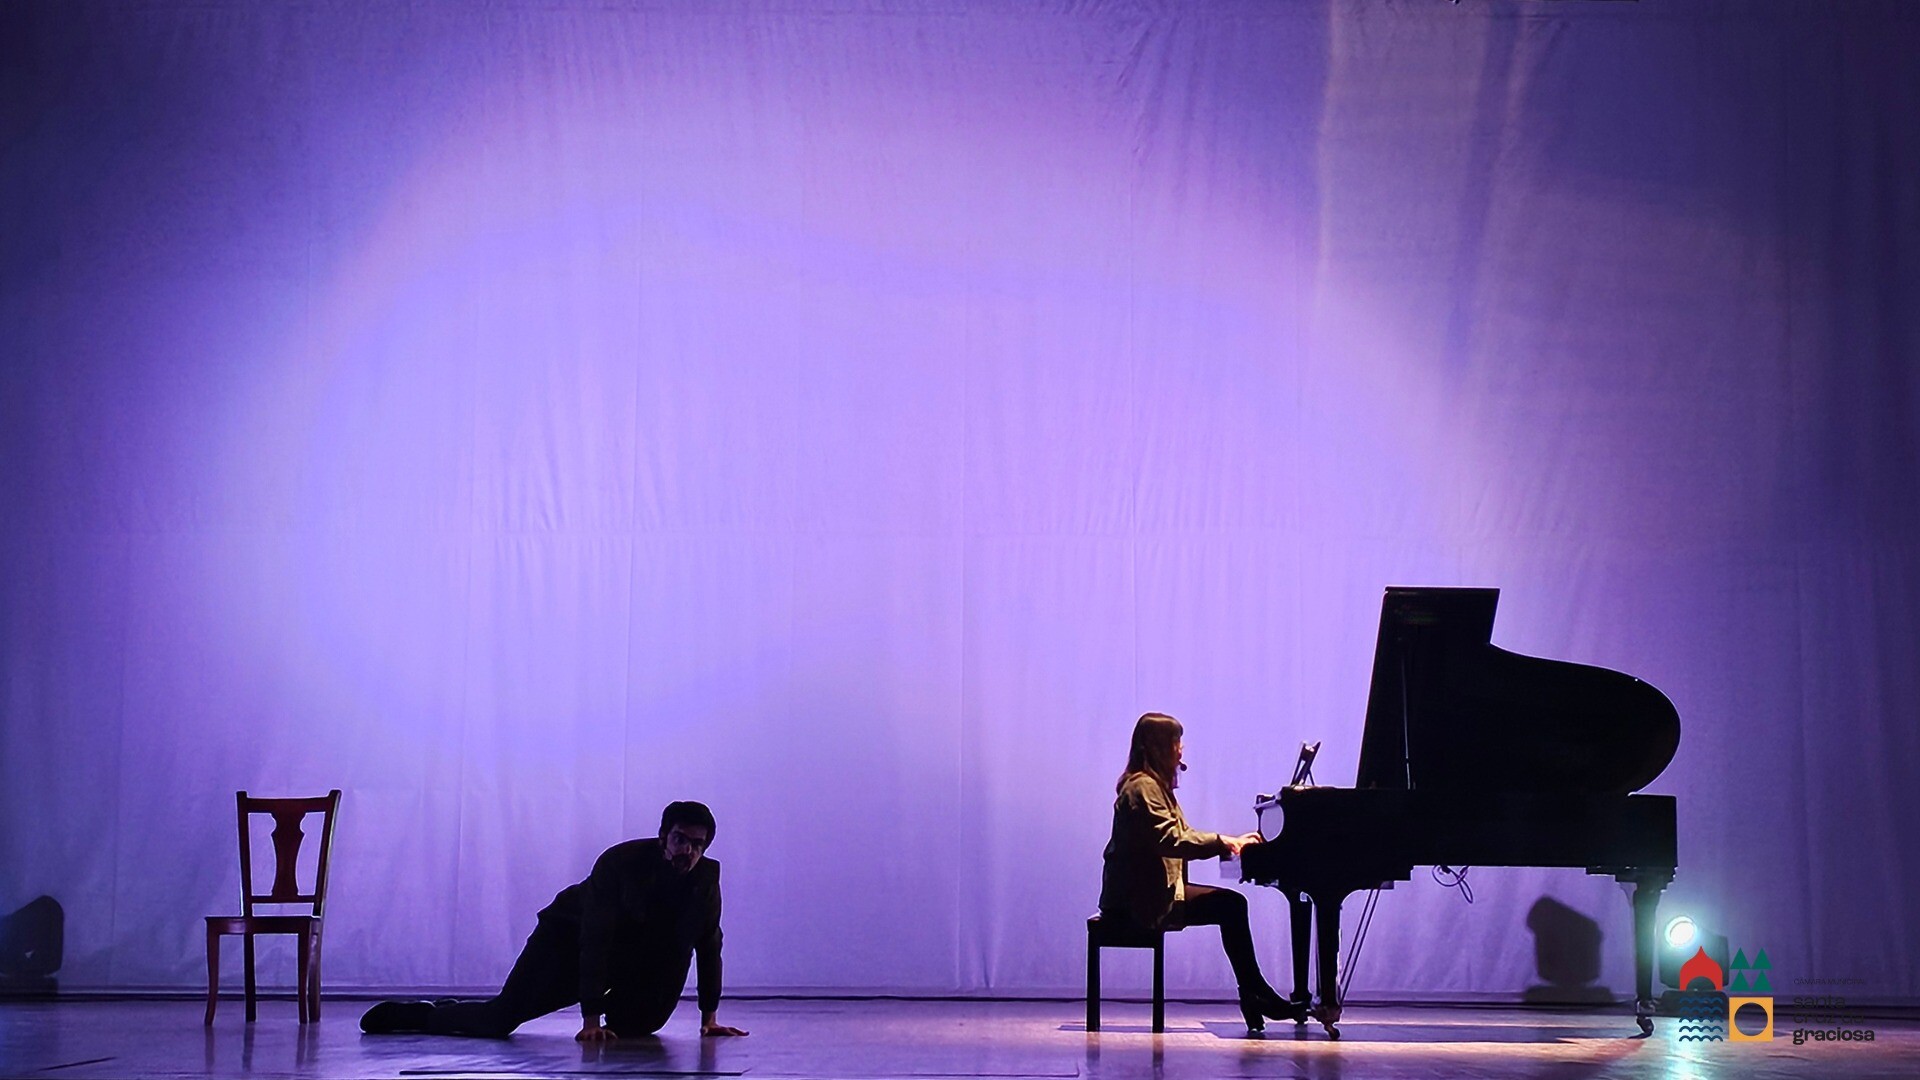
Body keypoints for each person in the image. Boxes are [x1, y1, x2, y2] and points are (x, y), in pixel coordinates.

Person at [361, 801, 748, 1040]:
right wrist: (590, 1019)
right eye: (681, 839)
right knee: (500, 1021)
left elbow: (709, 944)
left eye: (698, 844)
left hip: (627, 954)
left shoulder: (704, 880)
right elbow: (595, 937)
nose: (689, 851)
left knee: (637, 1026)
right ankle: (427, 1013)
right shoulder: (619, 863)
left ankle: (469, 1007)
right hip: (566, 938)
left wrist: (709, 1018)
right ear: (663, 837)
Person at [1099, 712, 1303, 1032]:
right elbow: (1171, 839)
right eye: (1176, 742)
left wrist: (1228, 841)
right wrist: (1224, 842)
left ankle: (1255, 993)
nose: (1181, 750)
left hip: (1146, 888)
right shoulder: (1142, 788)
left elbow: (1180, 834)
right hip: (1137, 898)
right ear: (1158, 746)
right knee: (1231, 906)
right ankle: (1255, 993)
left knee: (1231, 905)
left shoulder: (1150, 786)